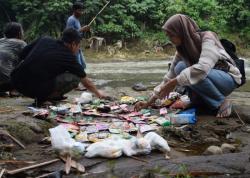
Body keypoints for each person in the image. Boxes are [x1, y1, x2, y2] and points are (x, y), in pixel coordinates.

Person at [135, 14, 241, 118]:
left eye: (172, 35)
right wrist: (147, 104)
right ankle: (201, 102)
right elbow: (168, 78)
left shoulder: (208, 38)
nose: (170, 39)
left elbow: (202, 68)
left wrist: (174, 82)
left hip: (227, 79)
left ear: (182, 32)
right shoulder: (182, 49)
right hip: (210, 80)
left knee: (185, 69)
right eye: (168, 36)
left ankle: (221, 101)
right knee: (179, 67)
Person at [11, 28, 106, 106]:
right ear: (73, 44)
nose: (78, 49)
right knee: (75, 78)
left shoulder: (44, 39)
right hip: (32, 90)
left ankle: (47, 95)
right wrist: (98, 93)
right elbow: (85, 81)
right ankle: (44, 98)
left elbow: (22, 54)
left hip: (16, 82)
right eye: (78, 46)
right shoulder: (68, 57)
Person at [0, 22, 26, 96]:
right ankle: (14, 90)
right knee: (26, 64)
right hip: (7, 82)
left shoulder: (1, 41)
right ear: (19, 33)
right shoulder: (21, 43)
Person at [66, 1, 90, 69]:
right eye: (79, 10)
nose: (81, 12)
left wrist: (85, 30)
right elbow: (68, 33)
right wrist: (82, 29)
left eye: (82, 11)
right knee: (78, 66)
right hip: (73, 47)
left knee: (83, 65)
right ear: (74, 10)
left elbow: (77, 33)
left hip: (78, 46)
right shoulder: (71, 19)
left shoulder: (77, 20)